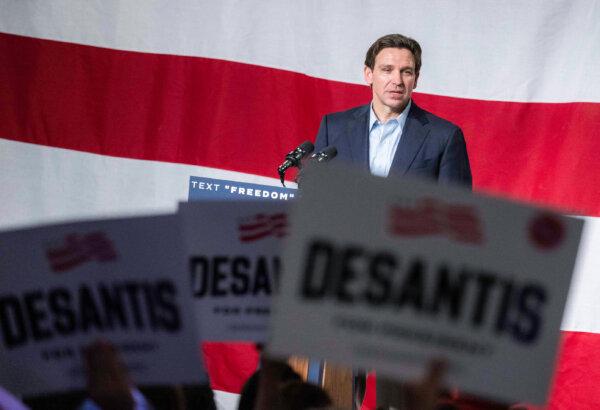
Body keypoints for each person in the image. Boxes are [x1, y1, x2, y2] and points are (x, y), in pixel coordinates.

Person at [314, 33, 472, 189]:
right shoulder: (334, 127)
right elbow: (316, 194)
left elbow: (456, 210)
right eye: (387, 70)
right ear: (369, 75)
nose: (397, 81)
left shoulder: (444, 137)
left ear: (416, 79)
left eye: (406, 72)